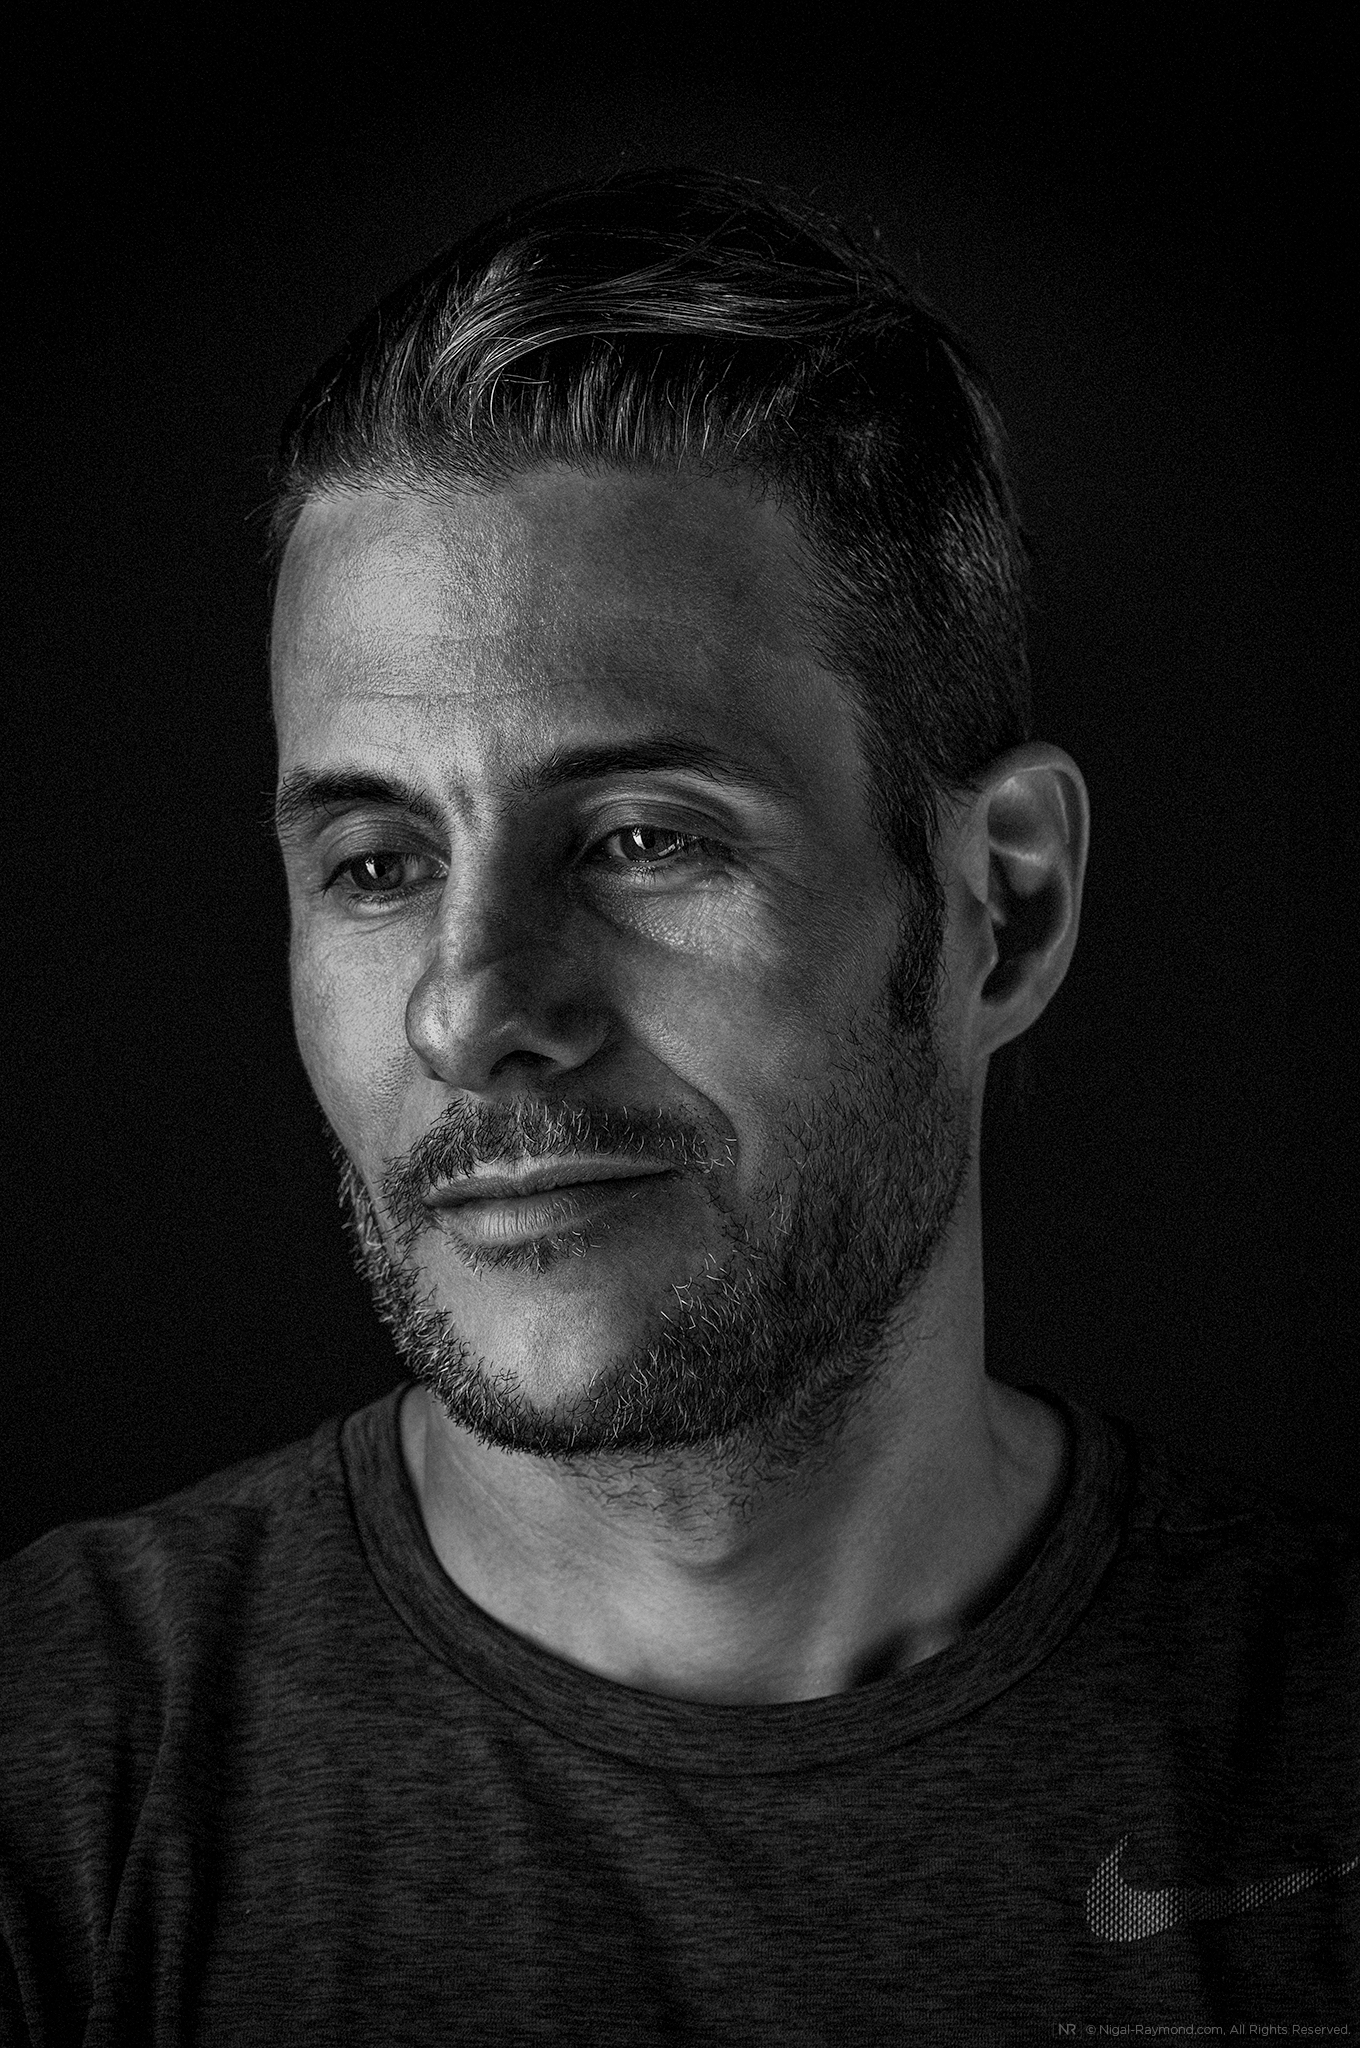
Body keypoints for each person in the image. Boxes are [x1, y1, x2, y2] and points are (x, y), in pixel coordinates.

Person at [1, 168, 1354, 2047]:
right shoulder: (60, 1773)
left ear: (1005, 906)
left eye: (645, 839)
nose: (476, 1012)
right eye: (378, 864)